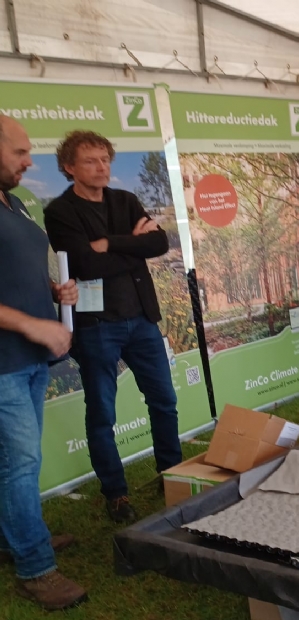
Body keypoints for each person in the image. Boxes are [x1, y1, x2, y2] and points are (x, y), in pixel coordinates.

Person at [44, 131, 182, 524]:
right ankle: (116, 494)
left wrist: (108, 243)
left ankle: (172, 475)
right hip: (96, 327)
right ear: (69, 167)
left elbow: (160, 244)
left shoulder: (125, 200)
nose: (101, 167)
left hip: (142, 320)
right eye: (90, 160)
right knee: (102, 414)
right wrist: (131, 246)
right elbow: (85, 264)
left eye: (105, 159)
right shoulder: (60, 211)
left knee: (164, 401)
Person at [0, 116, 86, 609]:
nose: (30, 162)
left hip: (27, 359)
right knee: (20, 463)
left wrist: (53, 292)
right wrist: (33, 325)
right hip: (5, 363)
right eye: (20, 152)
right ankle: (34, 566)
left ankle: (15, 534)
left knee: (15, 462)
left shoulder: (11, 203)